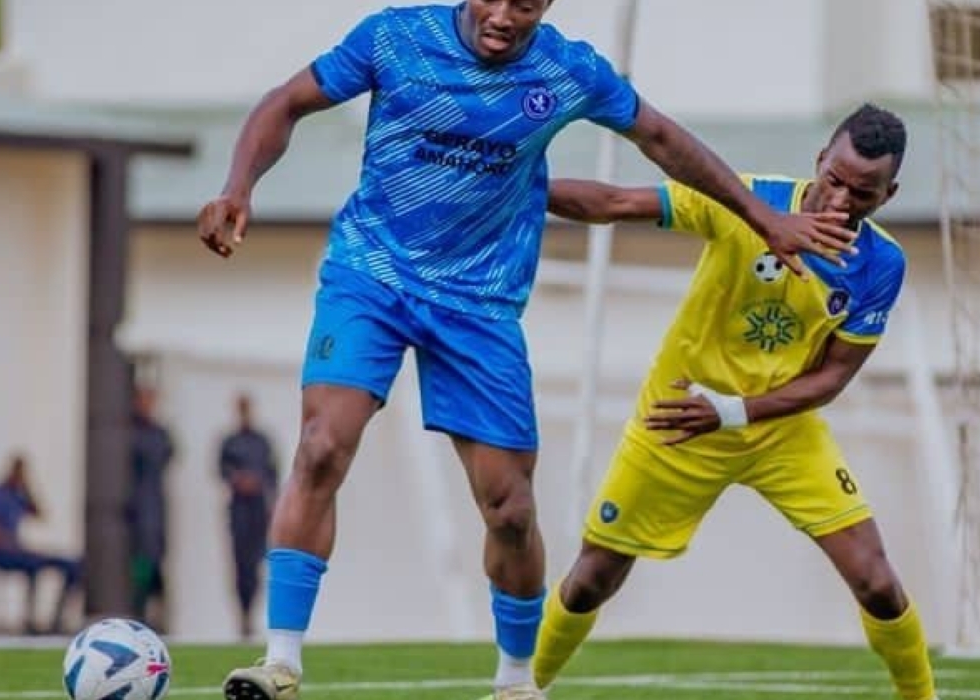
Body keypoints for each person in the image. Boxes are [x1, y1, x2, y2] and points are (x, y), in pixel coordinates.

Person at [195, 2, 855, 699]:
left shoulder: (566, 71)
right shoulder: (396, 37)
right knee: (322, 446)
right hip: (372, 275)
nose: (507, 16)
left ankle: (516, 683)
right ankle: (280, 662)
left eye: (529, 2)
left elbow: (659, 136)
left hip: (479, 304)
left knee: (509, 509)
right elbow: (287, 102)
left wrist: (764, 218)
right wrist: (238, 187)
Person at [532, 103, 940, 700]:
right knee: (593, 578)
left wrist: (735, 410)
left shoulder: (881, 265)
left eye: (863, 192)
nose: (841, 201)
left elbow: (833, 377)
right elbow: (618, 203)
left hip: (780, 431)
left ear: (889, 193)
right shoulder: (746, 201)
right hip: (679, 419)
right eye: (835, 179)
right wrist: (515, 182)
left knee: (877, 581)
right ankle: (520, 686)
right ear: (818, 160)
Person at [0, 453, 81, 634]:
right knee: (32, 564)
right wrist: (12, 545)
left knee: (72, 565)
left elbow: (39, 514)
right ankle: (29, 622)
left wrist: (28, 489)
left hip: (17, 551)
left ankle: (56, 622)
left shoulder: (19, 495)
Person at [218, 393, 279, 640]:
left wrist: (265, 491)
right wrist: (238, 480)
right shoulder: (229, 442)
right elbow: (221, 470)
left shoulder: (262, 441)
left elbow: (272, 473)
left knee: (256, 563)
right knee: (240, 564)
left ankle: (253, 613)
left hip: (258, 510)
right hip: (238, 510)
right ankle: (242, 614)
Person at [127, 384, 175, 632]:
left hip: (154, 504)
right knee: (140, 560)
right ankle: (139, 610)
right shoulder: (128, 432)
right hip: (135, 506)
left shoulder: (160, 433)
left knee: (155, 555)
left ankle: (156, 611)